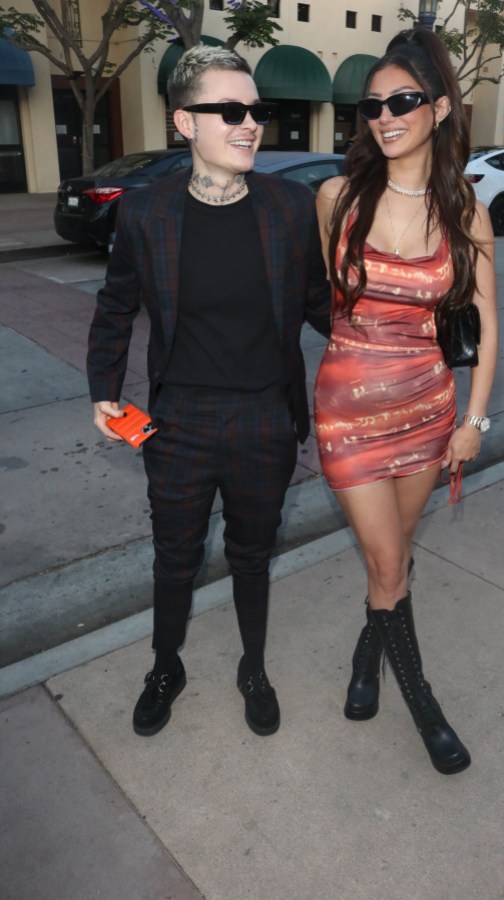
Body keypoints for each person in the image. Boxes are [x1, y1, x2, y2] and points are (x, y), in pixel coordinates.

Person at [87, 46, 331, 738]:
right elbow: (115, 306)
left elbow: (320, 304)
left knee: (254, 552)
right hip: (179, 420)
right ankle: (167, 666)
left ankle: (252, 667)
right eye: (230, 110)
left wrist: (389, 339)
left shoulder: (289, 207)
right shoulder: (147, 214)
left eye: (255, 110)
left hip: (265, 416)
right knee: (176, 555)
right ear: (183, 124)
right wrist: (104, 388)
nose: (250, 123)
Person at [314, 28, 498, 775]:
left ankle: (368, 656)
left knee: (391, 562)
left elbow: (485, 330)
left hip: (430, 413)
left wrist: (474, 421)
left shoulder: (466, 212)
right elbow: (319, 305)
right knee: (389, 560)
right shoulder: (335, 198)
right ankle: (424, 706)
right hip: (347, 415)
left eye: (403, 101)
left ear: (440, 108)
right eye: (373, 105)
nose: (385, 116)